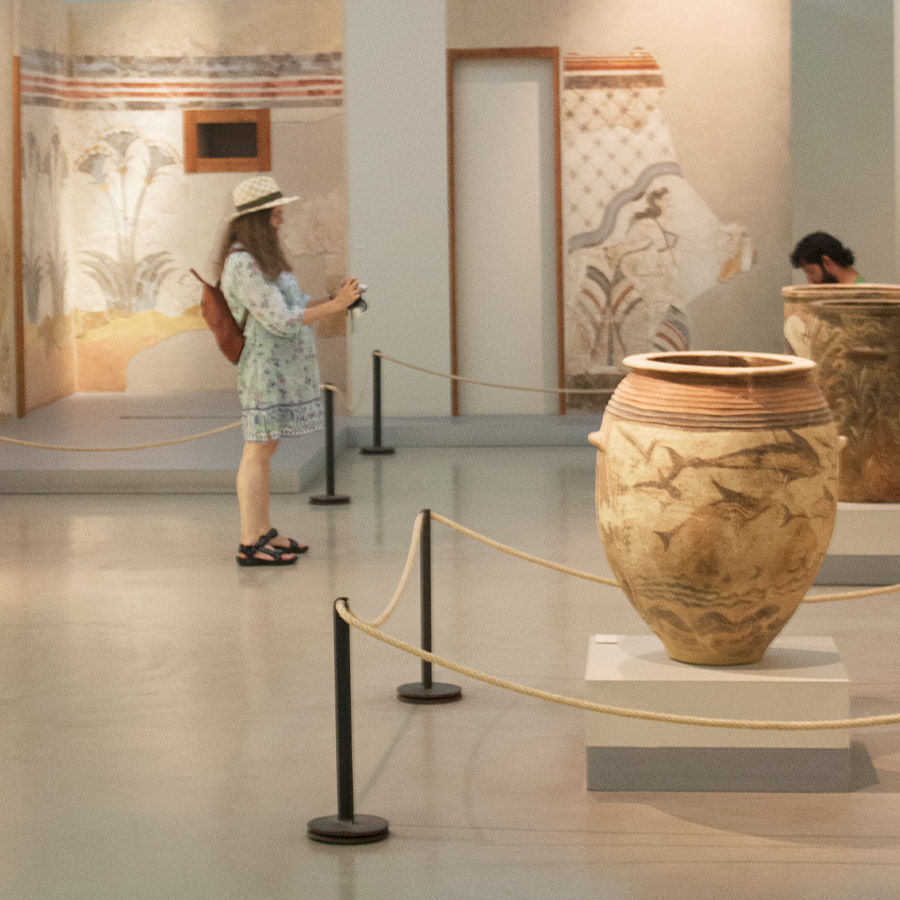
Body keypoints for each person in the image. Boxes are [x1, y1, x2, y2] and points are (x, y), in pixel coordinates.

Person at [215, 175, 361, 566]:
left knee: (266, 448)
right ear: (257, 220)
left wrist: (334, 299)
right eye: (276, 215)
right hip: (263, 369)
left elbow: (294, 305)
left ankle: (263, 531)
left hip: (279, 369)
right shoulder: (242, 263)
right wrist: (334, 307)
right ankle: (250, 541)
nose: (281, 221)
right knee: (257, 449)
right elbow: (280, 320)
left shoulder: (262, 260)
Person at [790, 232, 865, 284]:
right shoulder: (860, 288)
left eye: (811, 272)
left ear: (827, 262)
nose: (810, 281)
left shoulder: (859, 297)